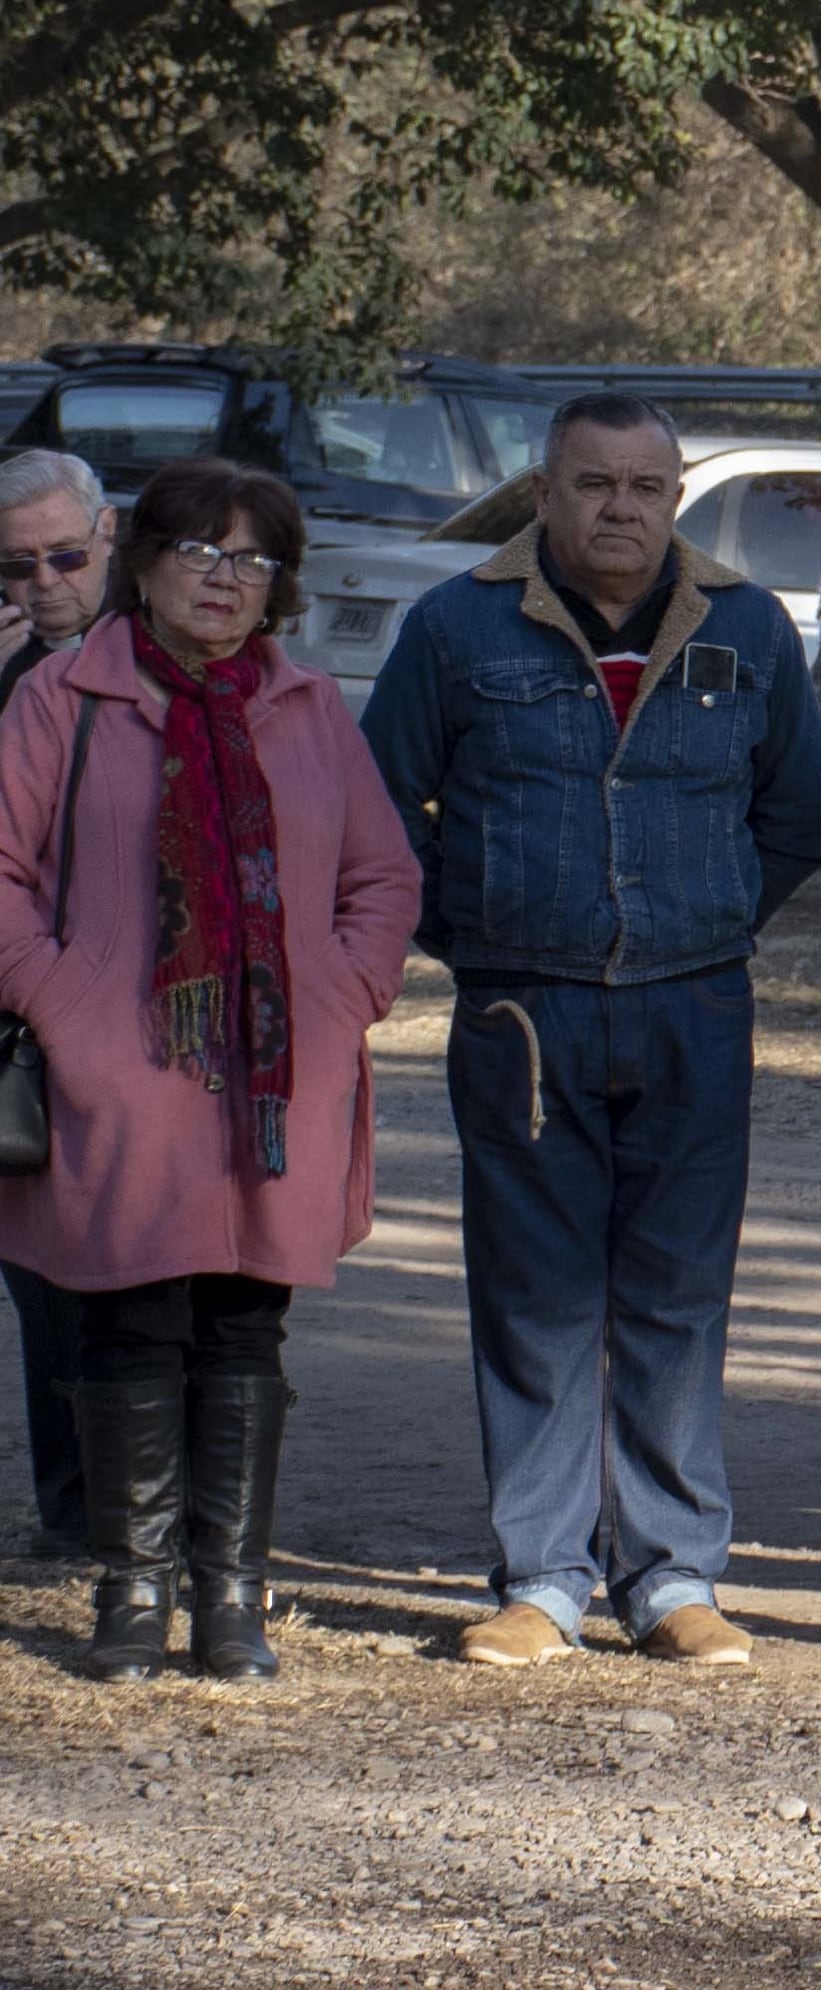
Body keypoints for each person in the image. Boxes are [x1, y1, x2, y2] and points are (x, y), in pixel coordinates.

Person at [363, 393, 821, 1669]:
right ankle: (543, 1580)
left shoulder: (744, 628)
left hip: (696, 1003)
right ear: (545, 489)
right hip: (524, 1011)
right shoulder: (458, 626)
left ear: (676, 496)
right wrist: (479, 930)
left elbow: (794, 815)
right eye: (593, 483)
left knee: (679, 1297)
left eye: (645, 485)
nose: (619, 508)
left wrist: (708, 916)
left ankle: (676, 1575)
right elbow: (378, 806)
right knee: (534, 1297)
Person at [0, 458, 418, 1680]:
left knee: (244, 1325)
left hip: (275, 1069)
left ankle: (232, 1594)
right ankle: (131, 1594)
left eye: (254, 559)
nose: (226, 579)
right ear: (143, 561)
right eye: (201, 552)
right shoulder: (64, 697)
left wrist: (342, 995)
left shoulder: (309, 704)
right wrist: (63, 1001)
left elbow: (383, 875)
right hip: (120, 1060)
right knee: (128, 1320)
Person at [0, 445, 112, 1557]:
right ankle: (75, 1511)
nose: (42, 584)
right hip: (21, 1011)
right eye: (15, 568)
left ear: (110, 536)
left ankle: (158, 1513)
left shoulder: (172, 649)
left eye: (64, 556)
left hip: (142, 1002)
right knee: (38, 1266)